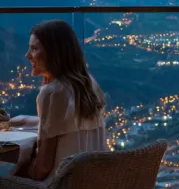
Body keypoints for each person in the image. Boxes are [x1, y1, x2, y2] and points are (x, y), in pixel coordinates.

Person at [12, 19, 110, 180]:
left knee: (2, 181)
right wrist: (20, 121)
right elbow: (67, 126)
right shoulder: (89, 84)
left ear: (55, 53)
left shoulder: (53, 92)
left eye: (34, 49)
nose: (27, 55)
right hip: (96, 186)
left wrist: (20, 171)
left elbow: (42, 168)